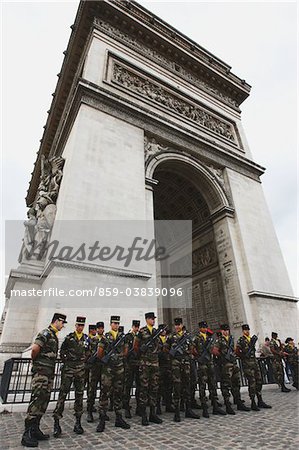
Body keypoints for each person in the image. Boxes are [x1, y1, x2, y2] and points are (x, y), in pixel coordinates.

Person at [21, 313, 67, 448]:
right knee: (36, 400)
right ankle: (27, 433)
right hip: (41, 373)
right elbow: (35, 350)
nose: (63, 325)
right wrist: (38, 365)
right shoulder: (46, 333)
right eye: (62, 322)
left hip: (48, 374)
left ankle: (35, 429)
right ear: (56, 321)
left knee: (43, 401)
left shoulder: (53, 335)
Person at [53, 316, 89, 437]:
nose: (80, 327)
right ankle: (56, 422)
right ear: (75, 326)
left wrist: (83, 361)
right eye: (78, 325)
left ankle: (78, 422)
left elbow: (88, 352)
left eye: (82, 325)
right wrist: (67, 361)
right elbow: (62, 351)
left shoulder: (86, 338)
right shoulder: (69, 338)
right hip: (68, 370)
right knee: (63, 394)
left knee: (79, 396)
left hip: (80, 371)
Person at [96, 315, 130, 432]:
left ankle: (119, 418)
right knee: (105, 393)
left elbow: (126, 352)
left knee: (118, 392)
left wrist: (118, 356)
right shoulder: (105, 337)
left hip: (119, 368)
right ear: (110, 324)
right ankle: (102, 419)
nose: (116, 325)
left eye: (117, 323)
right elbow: (99, 353)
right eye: (114, 323)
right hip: (108, 370)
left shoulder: (122, 337)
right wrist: (107, 359)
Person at [212, 323, 250, 415]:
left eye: (227, 330)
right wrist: (222, 357)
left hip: (233, 363)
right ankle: (227, 404)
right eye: (224, 330)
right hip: (225, 365)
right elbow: (214, 351)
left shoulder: (231, 338)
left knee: (236, 383)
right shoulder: (219, 340)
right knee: (226, 384)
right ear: (221, 331)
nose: (226, 332)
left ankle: (238, 401)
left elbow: (234, 349)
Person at [167, 318, 200, 422]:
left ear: (182, 325)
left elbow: (192, 349)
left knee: (187, 386)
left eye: (179, 324)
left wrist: (189, 352)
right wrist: (172, 353)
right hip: (176, 364)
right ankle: (177, 412)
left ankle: (188, 409)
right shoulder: (171, 337)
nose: (177, 326)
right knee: (177, 387)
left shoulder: (187, 337)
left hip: (186, 364)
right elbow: (165, 348)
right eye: (175, 325)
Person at [133, 312, 163, 426]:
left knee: (154, 388)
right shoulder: (141, 331)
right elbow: (135, 347)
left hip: (154, 363)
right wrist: (141, 350)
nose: (153, 320)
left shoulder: (156, 332)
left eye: (154, 319)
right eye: (151, 319)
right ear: (146, 319)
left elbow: (160, 346)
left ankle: (153, 414)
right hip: (145, 363)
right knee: (144, 389)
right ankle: (144, 415)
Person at [192, 321, 226, 417]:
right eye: (203, 327)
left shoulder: (210, 338)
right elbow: (192, 349)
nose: (205, 328)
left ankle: (215, 406)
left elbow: (213, 349)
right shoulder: (197, 338)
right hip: (202, 364)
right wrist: (198, 356)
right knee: (202, 386)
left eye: (206, 327)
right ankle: (204, 408)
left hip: (210, 363)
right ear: (200, 328)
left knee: (212, 384)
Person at [236, 324, 271, 410]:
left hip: (254, 363)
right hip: (247, 364)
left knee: (259, 381)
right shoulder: (241, 340)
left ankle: (260, 400)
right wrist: (243, 356)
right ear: (243, 331)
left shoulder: (251, 339)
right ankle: (253, 402)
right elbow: (237, 351)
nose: (247, 331)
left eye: (248, 330)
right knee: (252, 383)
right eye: (245, 330)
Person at [86, 322, 104, 423]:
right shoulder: (92, 340)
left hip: (103, 368)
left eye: (102, 328)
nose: (101, 330)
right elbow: (86, 351)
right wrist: (91, 357)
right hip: (94, 368)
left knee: (103, 390)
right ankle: (89, 411)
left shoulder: (106, 340)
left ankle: (102, 412)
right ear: (96, 329)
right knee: (92, 390)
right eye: (99, 328)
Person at [123, 320, 141, 418]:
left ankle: (139, 408)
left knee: (139, 386)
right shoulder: (128, 337)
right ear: (132, 326)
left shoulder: (139, 337)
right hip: (129, 364)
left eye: (138, 326)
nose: (137, 328)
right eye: (135, 326)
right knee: (128, 386)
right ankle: (126, 408)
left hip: (138, 363)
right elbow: (125, 351)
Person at [156, 325, 174, 415]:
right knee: (159, 387)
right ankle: (158, 407)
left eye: (164, 330)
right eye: (162, 330)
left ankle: (168, 405)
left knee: (169, 386)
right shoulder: (156, 339)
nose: (163, 331)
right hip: (160, 365)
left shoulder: (169, 339)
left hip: (168, 365)